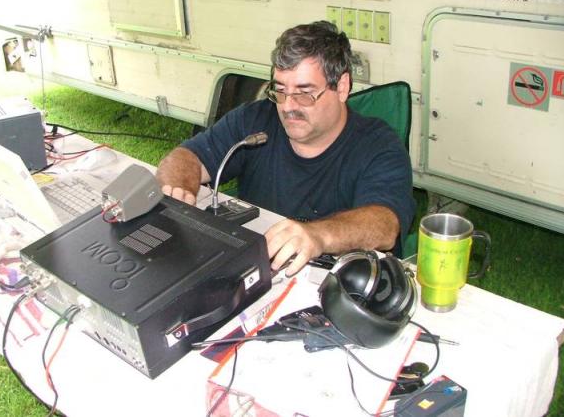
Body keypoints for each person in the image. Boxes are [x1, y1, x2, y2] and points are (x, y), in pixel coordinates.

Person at [156, 20, 415, 276]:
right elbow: (187, 157)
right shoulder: (253, 120)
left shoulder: (378, 145)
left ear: (342, 87)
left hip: (336, 282)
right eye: (280, 91)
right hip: (256, 270)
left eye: (304, 93)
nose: (288, 106)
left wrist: (318, 235)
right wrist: (179, 190)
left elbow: (384, 224)